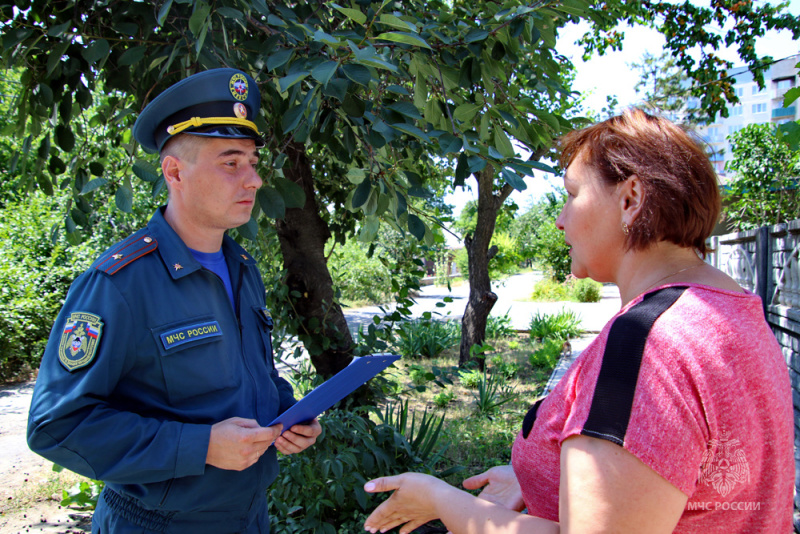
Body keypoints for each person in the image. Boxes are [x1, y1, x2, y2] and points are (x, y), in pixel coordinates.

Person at [363, 109, 793, 533]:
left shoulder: (645, 344)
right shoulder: (734, 308)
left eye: (571, 193)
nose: (559, 218)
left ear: (630, 200)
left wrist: (440, 498)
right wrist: (537, 478)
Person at [27, 68, 322, 533]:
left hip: (249, 517)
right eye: (231, 163)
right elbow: (56, 425)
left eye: (252, 161)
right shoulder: (121, 283)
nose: (253, 180)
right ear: (174, 171)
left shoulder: (242, 268)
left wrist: (288, 415)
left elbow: (251, 376)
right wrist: (200, 445)